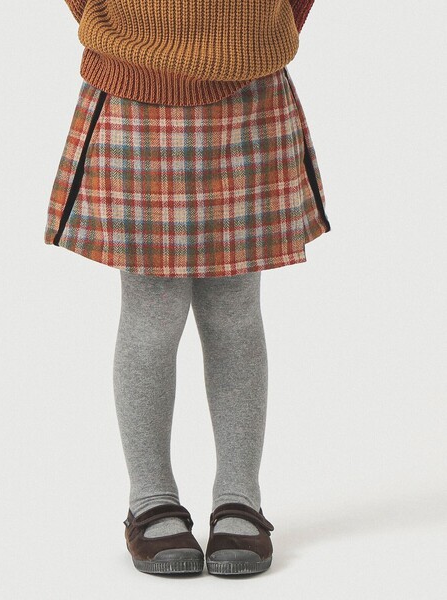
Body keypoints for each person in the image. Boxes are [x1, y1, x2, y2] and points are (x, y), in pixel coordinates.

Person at [44, 0, 331, 576]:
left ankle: (240, 495)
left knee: (236, 313)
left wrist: (259, 31)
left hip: (250, 83)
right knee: (153, 316)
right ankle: (150, 498)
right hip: (136, 87)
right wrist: (123, 31)